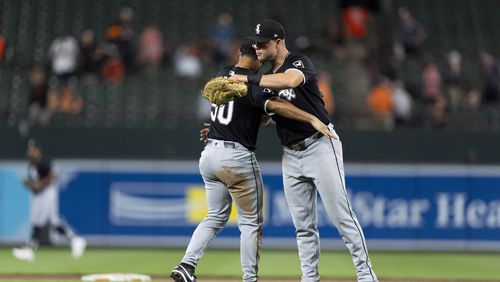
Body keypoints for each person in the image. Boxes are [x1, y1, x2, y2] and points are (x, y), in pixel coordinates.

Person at [170, 39, 332, 282]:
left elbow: (241, 112)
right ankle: (249, 279)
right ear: (256, 58)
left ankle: (187, 264)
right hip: (235, 158)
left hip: (210, 153)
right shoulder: (252, 83)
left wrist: (215, 127)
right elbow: (275, 105)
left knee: (215, 216)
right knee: (250, 224)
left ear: (238, 54)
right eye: (260, 57)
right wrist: (310, 118)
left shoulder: (223, 74)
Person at [231, 20, 378, 282]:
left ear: (278, 42)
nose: (258, 47)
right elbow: (263, 117)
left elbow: (289, 81)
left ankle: (367, 276)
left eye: (263, 43)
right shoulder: (263, 77)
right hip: (290, 153)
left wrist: (245, 77)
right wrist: (221, 128)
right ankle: (310, 278)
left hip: (320, 145)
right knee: (303, 226)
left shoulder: (298, 62)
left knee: (341, 216)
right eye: (256, 43)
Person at [12, 140, 87, 262]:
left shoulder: (43, 163)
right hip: (39, 195)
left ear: (38, 151)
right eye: (29, 150)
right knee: (53, 221)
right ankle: (75, 240)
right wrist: (30, 183)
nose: (31, 152)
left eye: (33, 150)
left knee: (38, 220)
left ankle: (30, 249)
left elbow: (54, 175)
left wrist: (40, 184)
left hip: (46, 194)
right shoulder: (32, 165)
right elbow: (35, 184)